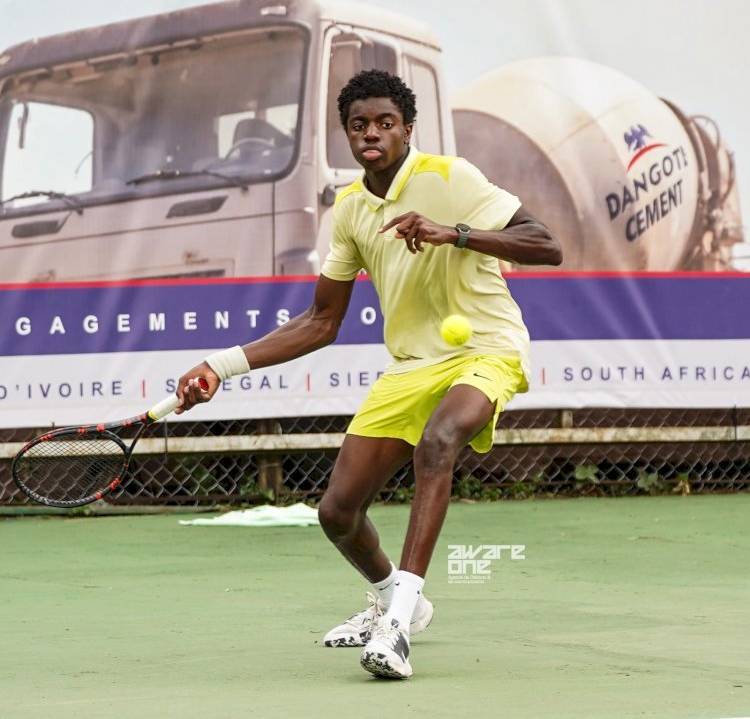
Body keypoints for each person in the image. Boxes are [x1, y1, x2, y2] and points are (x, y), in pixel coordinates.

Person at [175, 69, 563, 679]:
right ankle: (394, 600)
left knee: (439, 441)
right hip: (411, 365)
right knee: (337, 513)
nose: (371, 134)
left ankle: (396, 625)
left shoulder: (450, 176)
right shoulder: (352, 210)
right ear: (347, 134)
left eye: (385, 123)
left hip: (487, 349)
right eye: (359, 125)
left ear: (408, 128)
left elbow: (545, 244)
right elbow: (320, 321)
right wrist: (221, 367)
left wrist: (454, 234)